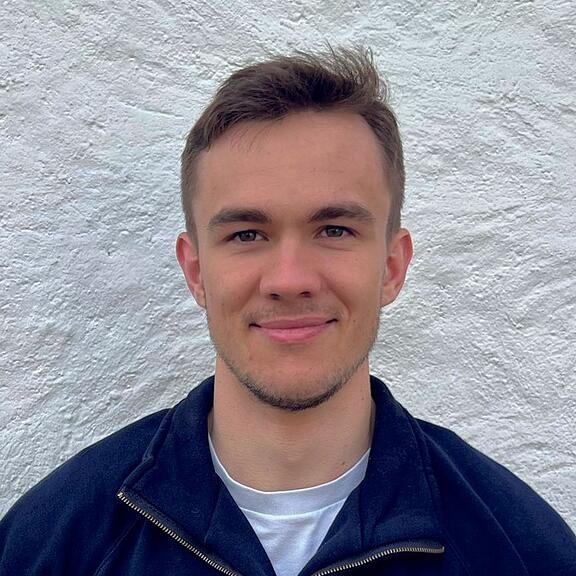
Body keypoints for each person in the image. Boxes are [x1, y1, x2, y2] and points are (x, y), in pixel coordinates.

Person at [1, 48, 574, 576]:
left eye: (334, 229)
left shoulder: (522, 551)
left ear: (391, 267)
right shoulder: (50, 545)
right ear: (196, 271)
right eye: (247, 234)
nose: (290, 280)